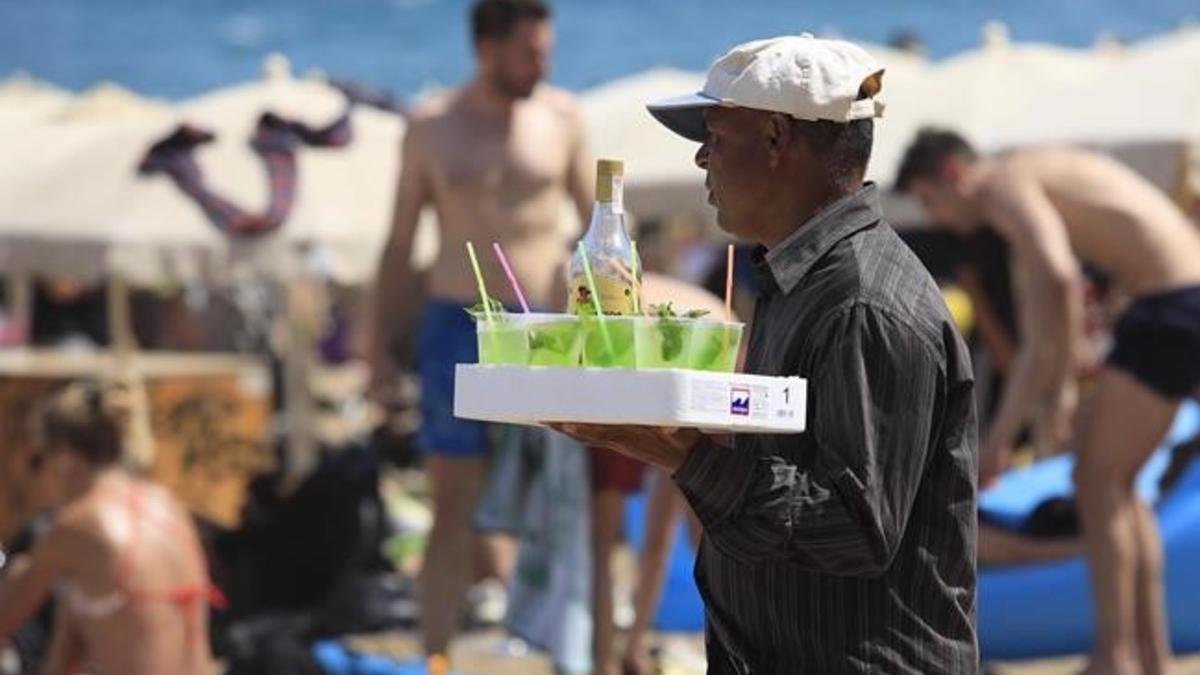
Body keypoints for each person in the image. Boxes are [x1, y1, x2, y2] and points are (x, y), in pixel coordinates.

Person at [554, 35, 978, 673]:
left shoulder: (863, 301)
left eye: (716, 136)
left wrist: (683, 452)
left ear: (777, 139)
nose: (700, 157)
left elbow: (853, 528)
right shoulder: (802, 280)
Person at [896, 128, 1200, 675]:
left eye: (929, 201)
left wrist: (1061, 391)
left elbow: (1061, 277)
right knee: (1119, 488)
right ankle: (1150, 658)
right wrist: (997, 444)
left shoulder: (1009, 180)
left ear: (954, 176)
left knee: (1098, 481)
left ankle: (1115, 655)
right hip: (1174, 300)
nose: (937, 220)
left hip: (1171, 303)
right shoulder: (1027, 199)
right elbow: (1036, 348)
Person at [367, 0, 592, 660]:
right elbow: (400, 240)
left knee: (551, 499)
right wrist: (376, 346)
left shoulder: (563, 118)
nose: (541, 64)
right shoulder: (432, 126)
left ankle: (552, 650)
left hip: (539, 326)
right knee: (451, 504)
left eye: (546, 51)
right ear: (487, 48)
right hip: (454, 324)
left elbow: (602, 223)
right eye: (529, 52)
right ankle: (434, 657)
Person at [0, 381, 220, 675]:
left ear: (65, 460)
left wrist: (22, 569)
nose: (40, 478)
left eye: (39, 460)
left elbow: (6, 617)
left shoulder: (80, 526)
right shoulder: (167, 506)